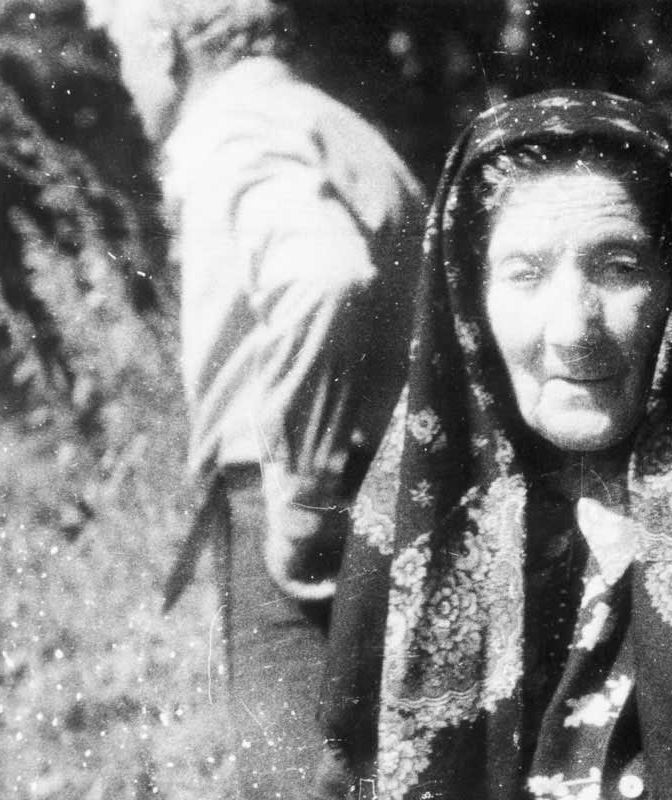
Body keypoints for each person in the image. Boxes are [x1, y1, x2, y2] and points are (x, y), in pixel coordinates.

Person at [320, 90, 672, 800]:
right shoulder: (420, 509)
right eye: (525, 275)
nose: (573, 328)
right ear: (469, 303)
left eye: (619, 268)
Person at [86, 0, 425, 796]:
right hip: (386, 487)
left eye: (123, 52)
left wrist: (302, 491)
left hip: (297, 501)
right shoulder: (328, 122)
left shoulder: (238, 132)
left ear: (166, 47)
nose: (125, 83)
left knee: (297, 780)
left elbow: (323, 277)